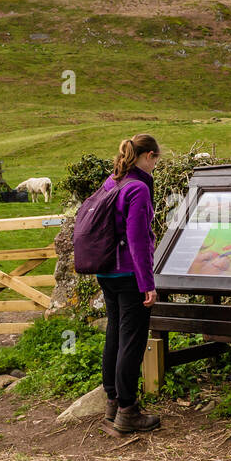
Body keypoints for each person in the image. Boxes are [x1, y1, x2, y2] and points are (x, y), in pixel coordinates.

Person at [96, 133, 161, 433]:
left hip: (106, 271)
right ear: (147, 156)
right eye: (156, 161)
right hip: (128, 274)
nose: (156, 167)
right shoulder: (138, 189)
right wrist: (147, 283)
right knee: (132, 340)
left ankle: (112, 402)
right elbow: (136, 239)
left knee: (114, 333)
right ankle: (128, 411)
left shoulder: (113, 181)